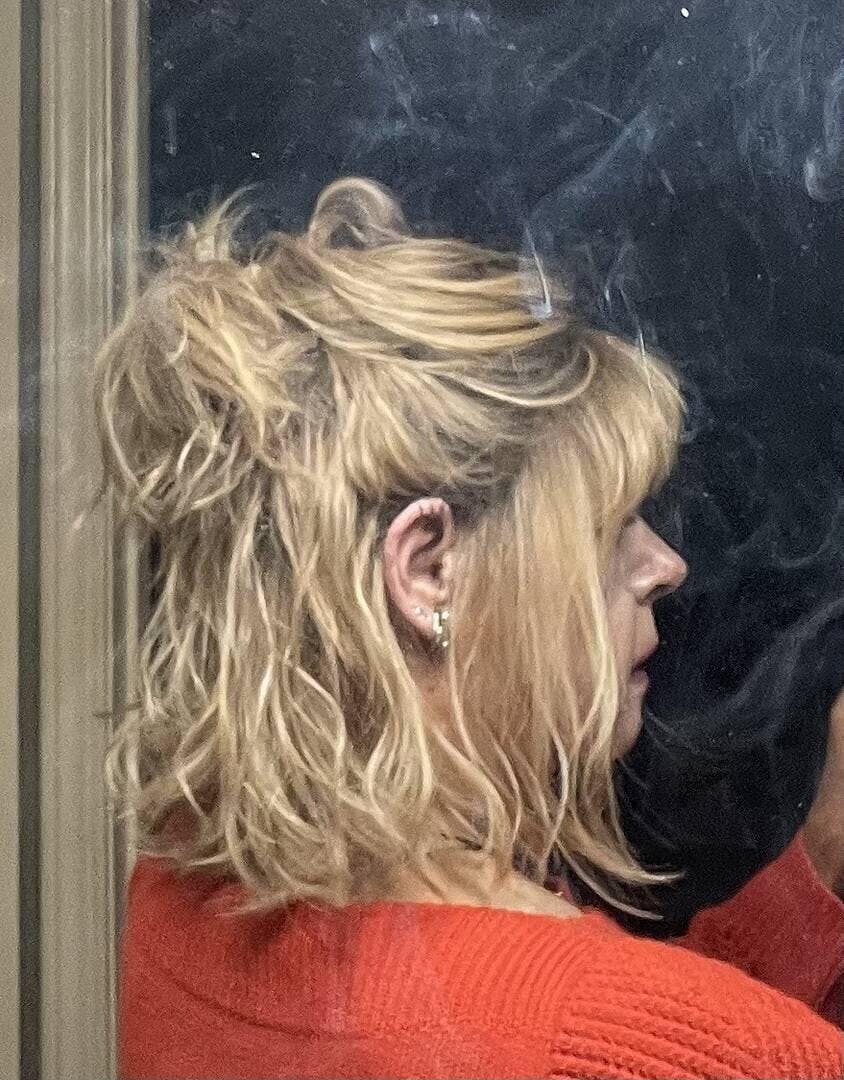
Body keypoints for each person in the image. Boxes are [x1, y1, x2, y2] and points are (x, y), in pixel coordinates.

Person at [98, 178, 843, 1079]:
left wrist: (817, 868)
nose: (665, 565)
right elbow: (659, 1043)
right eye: (611, 526)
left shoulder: (179, 897)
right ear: (427, 568)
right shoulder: (640, 1040)